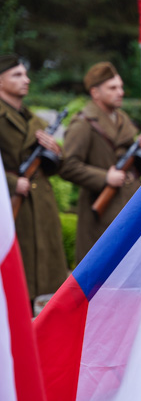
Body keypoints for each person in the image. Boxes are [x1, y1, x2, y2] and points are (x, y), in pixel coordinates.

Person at [60, 62, 141, 263]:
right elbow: (68, 166)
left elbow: (137, 166)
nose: (121, 92)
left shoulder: (123, 119)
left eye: (120, 86)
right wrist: (104, 177)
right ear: (95, 92)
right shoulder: (83, 123)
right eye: (113, 88)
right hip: (101, 216)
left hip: (130, 208)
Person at [0, 53, 67, 300]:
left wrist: (55, 152)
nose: (26, 79)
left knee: (39, 288)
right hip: (9, 206)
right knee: (14, 286)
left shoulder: (34, 119)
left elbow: (56, 168)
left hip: (39, 208)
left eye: (26, 74)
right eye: (17, 75)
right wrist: (11, 183)